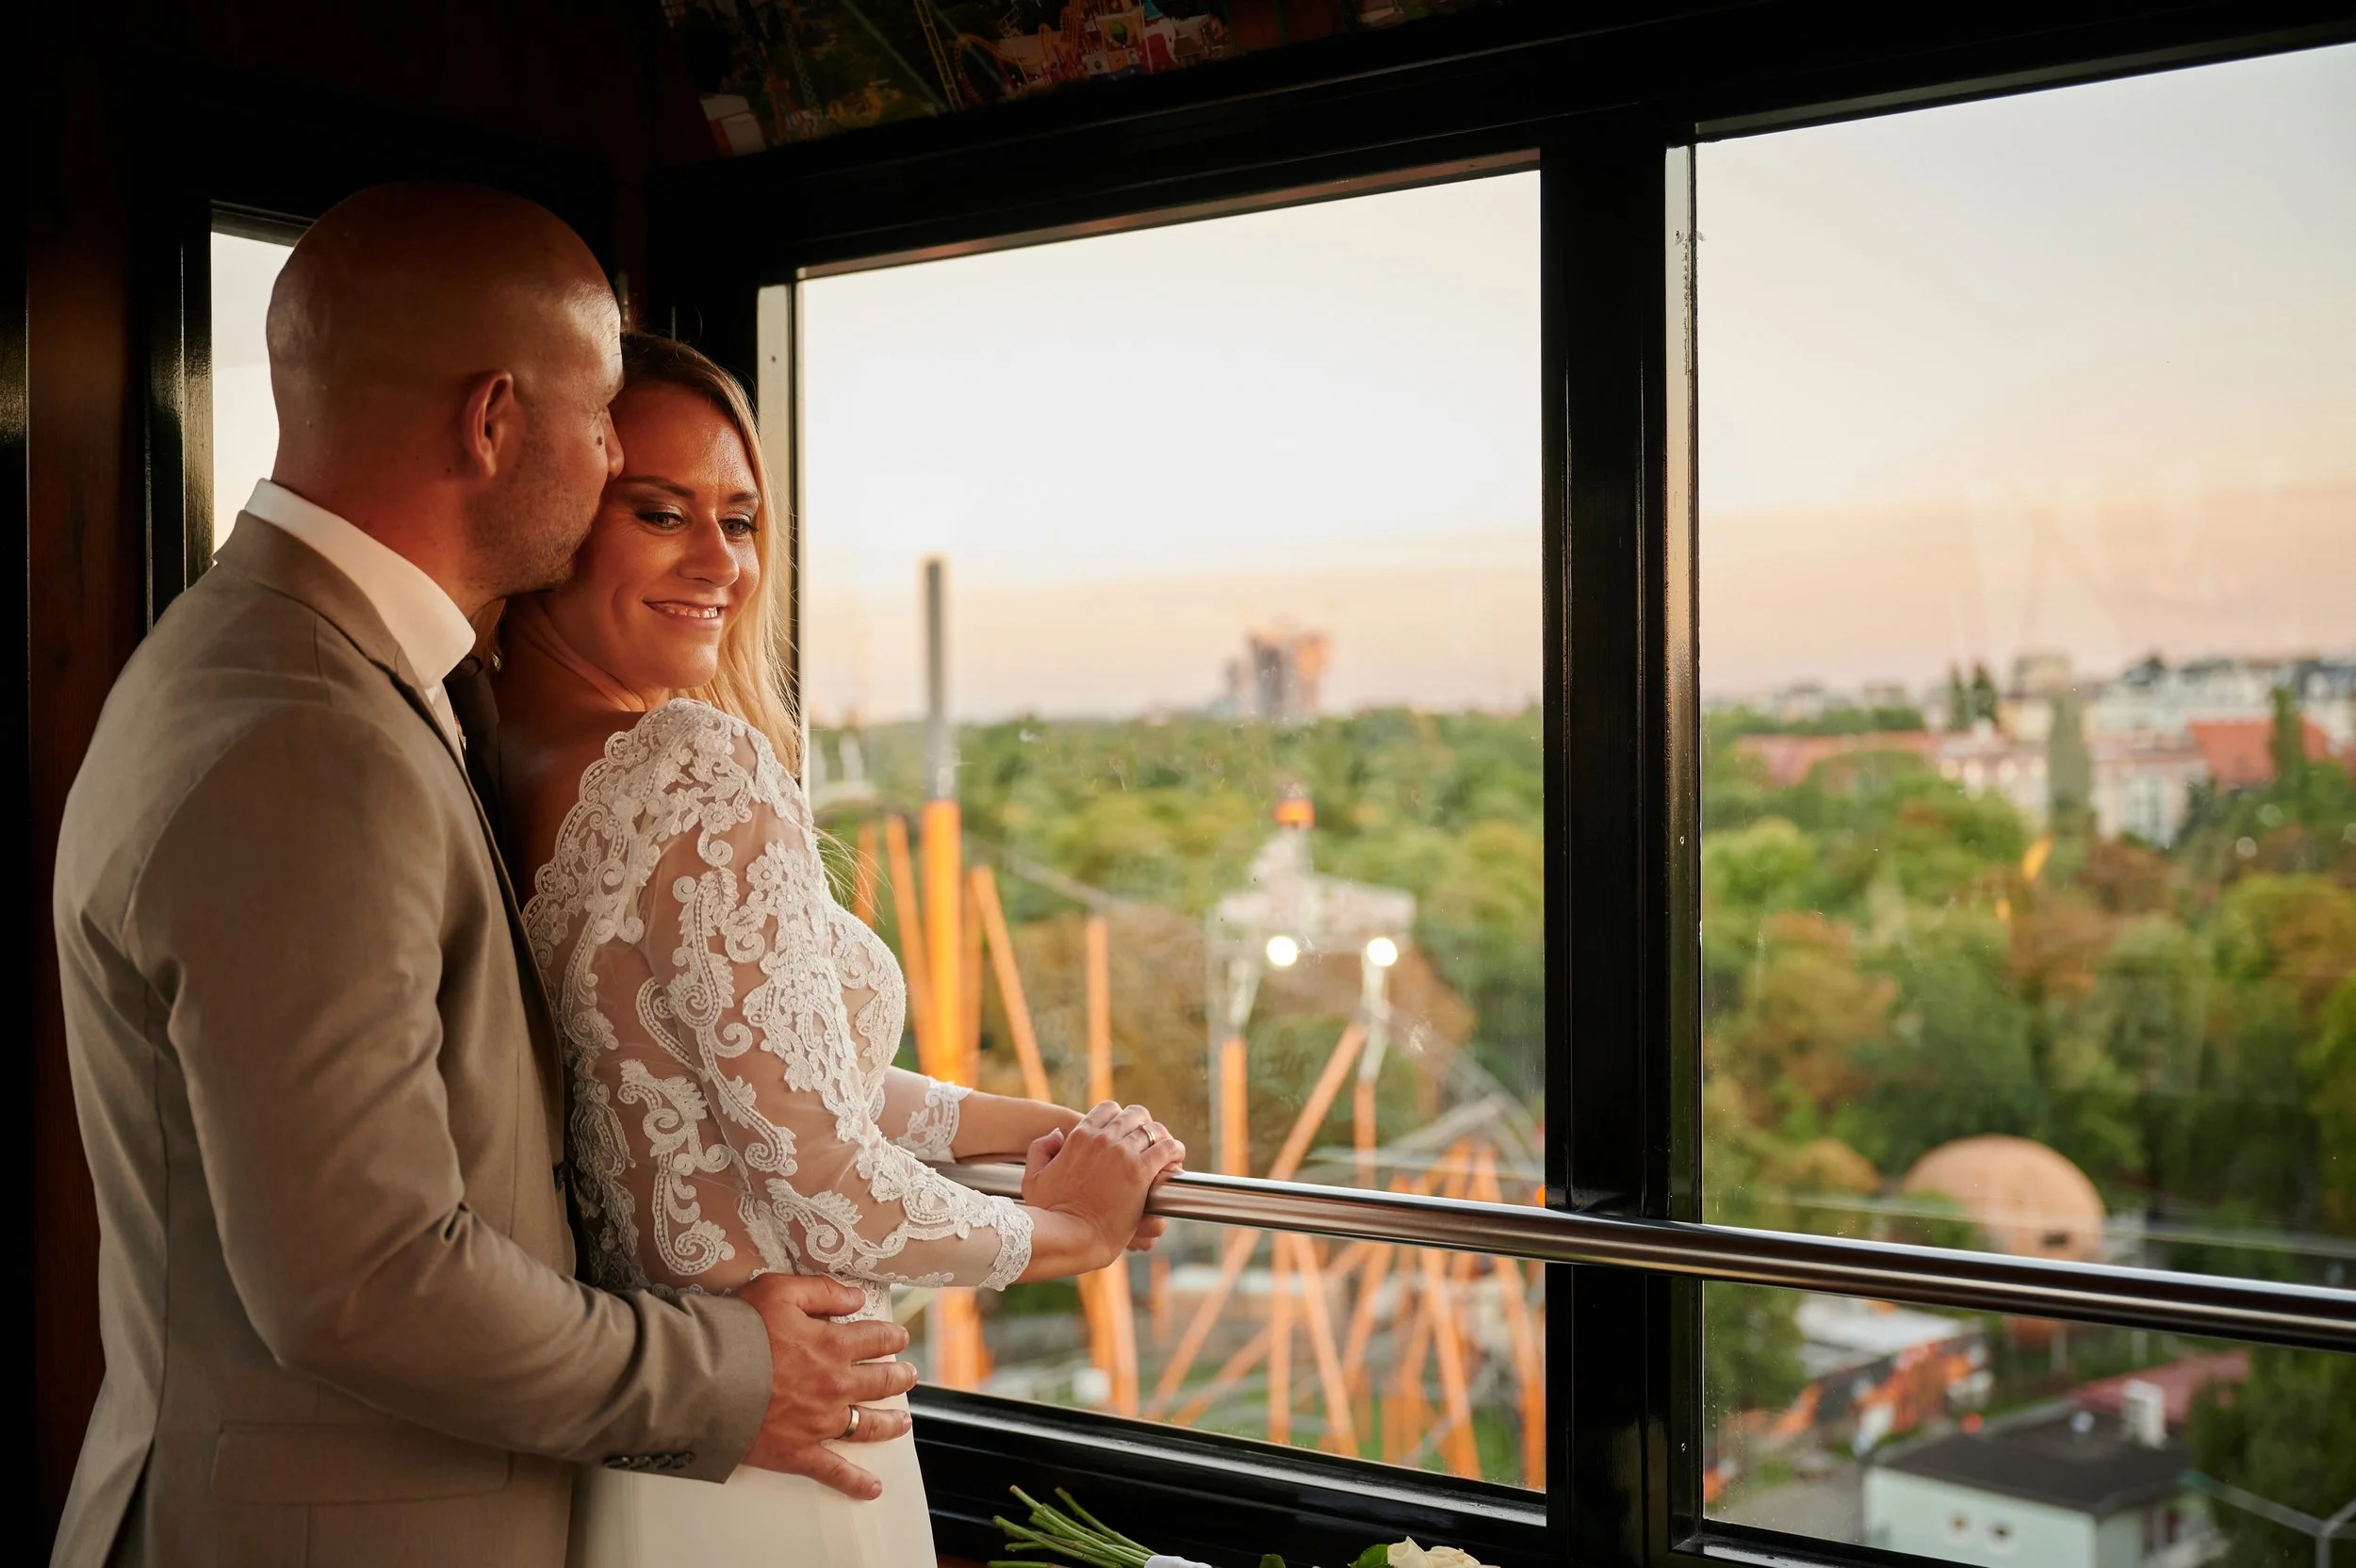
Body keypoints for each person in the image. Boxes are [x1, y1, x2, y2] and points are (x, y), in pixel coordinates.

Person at [48, 184, 987, 1568]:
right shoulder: (309, 736)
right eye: (603, 415)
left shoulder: (317, 669)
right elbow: (364, 1278)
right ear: (493, 421)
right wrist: (726, 1378)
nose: (611, 455)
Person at [490, 330, 1184, 1568]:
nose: (720, 563)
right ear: (559, 513)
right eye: (660, 512)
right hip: (793, 1443)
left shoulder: (503, 753)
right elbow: (825, 1191)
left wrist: (1020, 1129)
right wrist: (1073, 1234)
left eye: (741, 521)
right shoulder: (696, 767)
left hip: (655, 1442)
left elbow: (735, 1083)